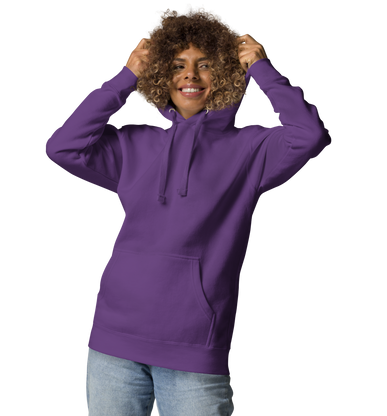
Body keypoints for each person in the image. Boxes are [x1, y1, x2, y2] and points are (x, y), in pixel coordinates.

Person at [43, 2, 333, 415]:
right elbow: (61, 147)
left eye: (205, 65)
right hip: (111, 344)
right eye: (177, 65)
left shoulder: (252, 148)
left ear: (228, 73)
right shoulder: (132, 143)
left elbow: (310, 135)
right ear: (160, 73)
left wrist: (264, 69)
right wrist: (125, 75)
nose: (190, 76)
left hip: (194, 351)